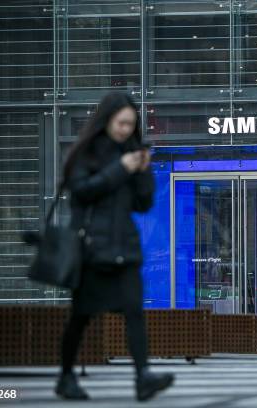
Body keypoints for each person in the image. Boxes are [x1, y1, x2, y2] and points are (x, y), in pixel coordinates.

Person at [54, 91, 174, 401]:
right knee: (81, 317)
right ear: (107, 120)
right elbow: (81, 192)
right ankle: (66, 376)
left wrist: (143, 171)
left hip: (126, 247)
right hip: (92, 249)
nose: (125, 130)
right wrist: (121, 168)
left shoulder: (131, 153)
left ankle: (142, 376)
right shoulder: (87, 154)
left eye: (130, 125)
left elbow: (143, 203)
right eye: (121, 123)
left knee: (135, 311)